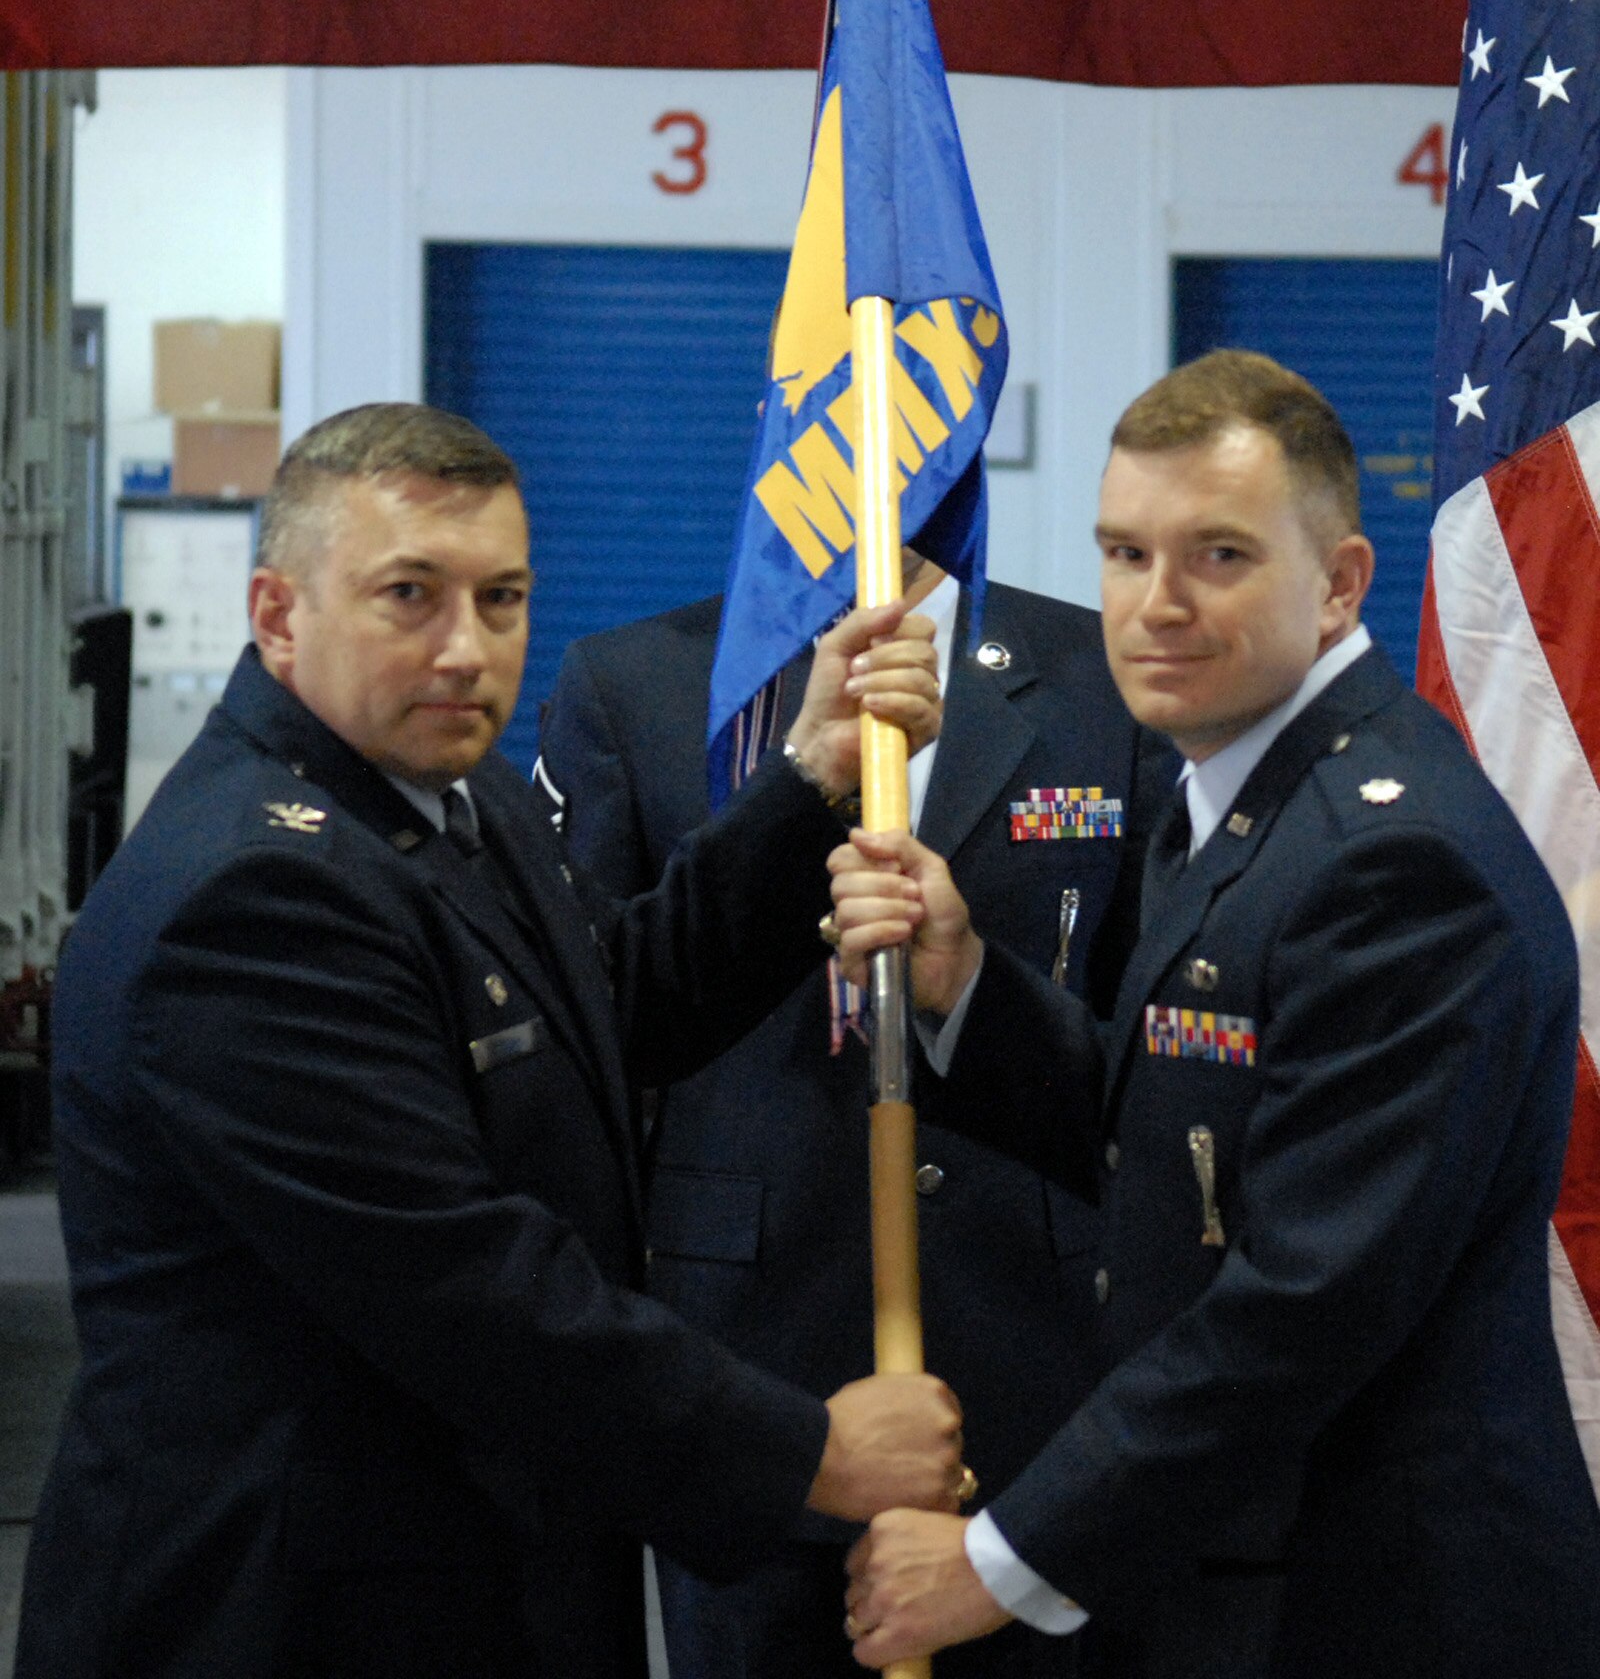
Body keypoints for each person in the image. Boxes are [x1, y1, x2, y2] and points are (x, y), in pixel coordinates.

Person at [16, 403, 967, 1679]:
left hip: (462, 1569)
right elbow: (460, 1281)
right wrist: (807, 1451)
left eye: (502, 597)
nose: (467, 648)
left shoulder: (446, 793)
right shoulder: (253, 893)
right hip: (294, 1611)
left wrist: (809, 780)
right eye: (410, 594)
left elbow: (600, 1007)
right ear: (278, 612)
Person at [830, 352, 1600, 1679]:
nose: (1153, 607)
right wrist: (967, 985)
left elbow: (1302, 1304)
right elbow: (1180, 1144)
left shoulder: (1389, 860)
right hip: (1248, 1570)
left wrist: (1001, 1562)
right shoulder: (1238, 791)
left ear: (1343, 581)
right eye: (1124, 554)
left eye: (1220, 556)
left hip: (1383, 1603)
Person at [539, 557, 1172, 1678]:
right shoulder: (630, 683)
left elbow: (1150, 1060)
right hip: (753, 1361)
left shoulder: (1101, 678)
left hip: (1040, 1369)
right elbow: (592, 1034)